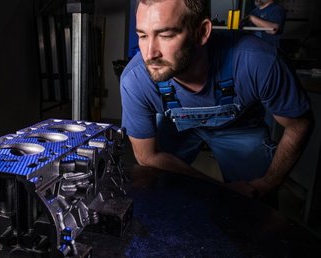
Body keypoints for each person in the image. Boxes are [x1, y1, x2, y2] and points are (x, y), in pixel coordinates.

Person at [120, 0, 312, 199]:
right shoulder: (135, 79)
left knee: (256, 205)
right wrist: (216, 189)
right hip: (176, 124)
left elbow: (299, 125)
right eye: (142, 35)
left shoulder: (257, 61)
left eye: (166, 35)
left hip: (240, 127)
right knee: (158, 189)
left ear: (202, 32)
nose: (149, 54)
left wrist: (267, 184)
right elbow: (147, 156)